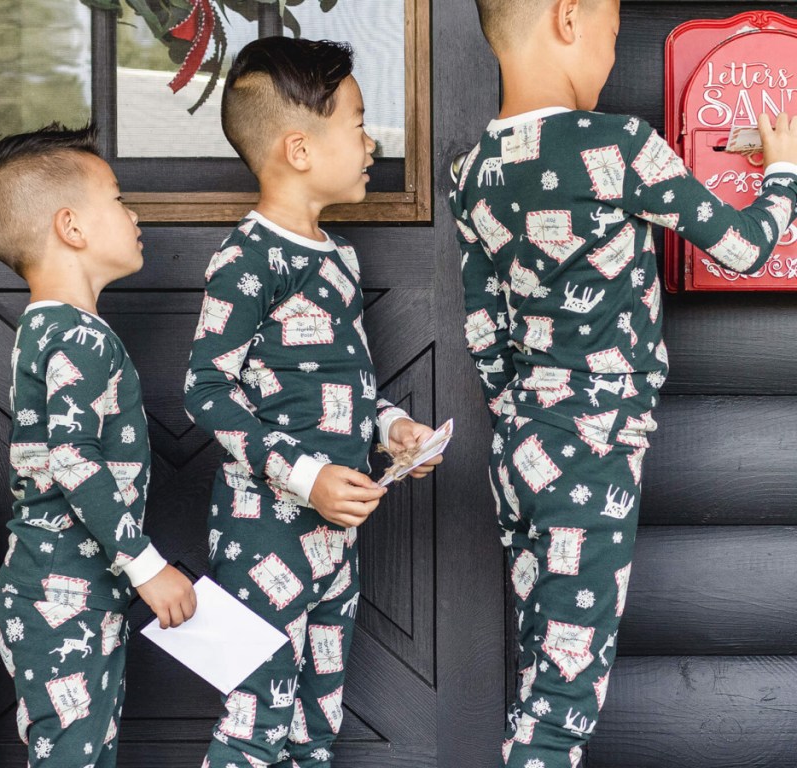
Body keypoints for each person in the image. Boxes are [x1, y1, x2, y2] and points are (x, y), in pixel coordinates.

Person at [452, 1, 797, 765]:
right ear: (568, 20)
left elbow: (484, 330)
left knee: (540, 665)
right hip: (593, 446)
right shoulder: (620, 143)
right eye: (612, 37)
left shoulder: (472, 171)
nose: (612, 57)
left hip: (520, 446)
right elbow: (740, 247)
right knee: (565, 702)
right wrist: (782, 170)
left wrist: (522, 416)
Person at [184, 37, 442, 768]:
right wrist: (306, 477)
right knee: (253, 722)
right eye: (359, 124)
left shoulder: (337, 258)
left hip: (337, 541)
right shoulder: (246, 259)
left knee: (315, 727)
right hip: (264, 532)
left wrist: (393, 429)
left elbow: (348, 384)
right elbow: (206, 389)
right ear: (299, 148)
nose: (372, 143)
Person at [0, 122, 196, 767]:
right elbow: (73, 461)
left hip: (60, 584)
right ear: (71, 228)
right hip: (62, 587)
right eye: (120, 200)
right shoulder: (77, 335)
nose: (134, 214)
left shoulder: (47, 329)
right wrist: (147, 567)